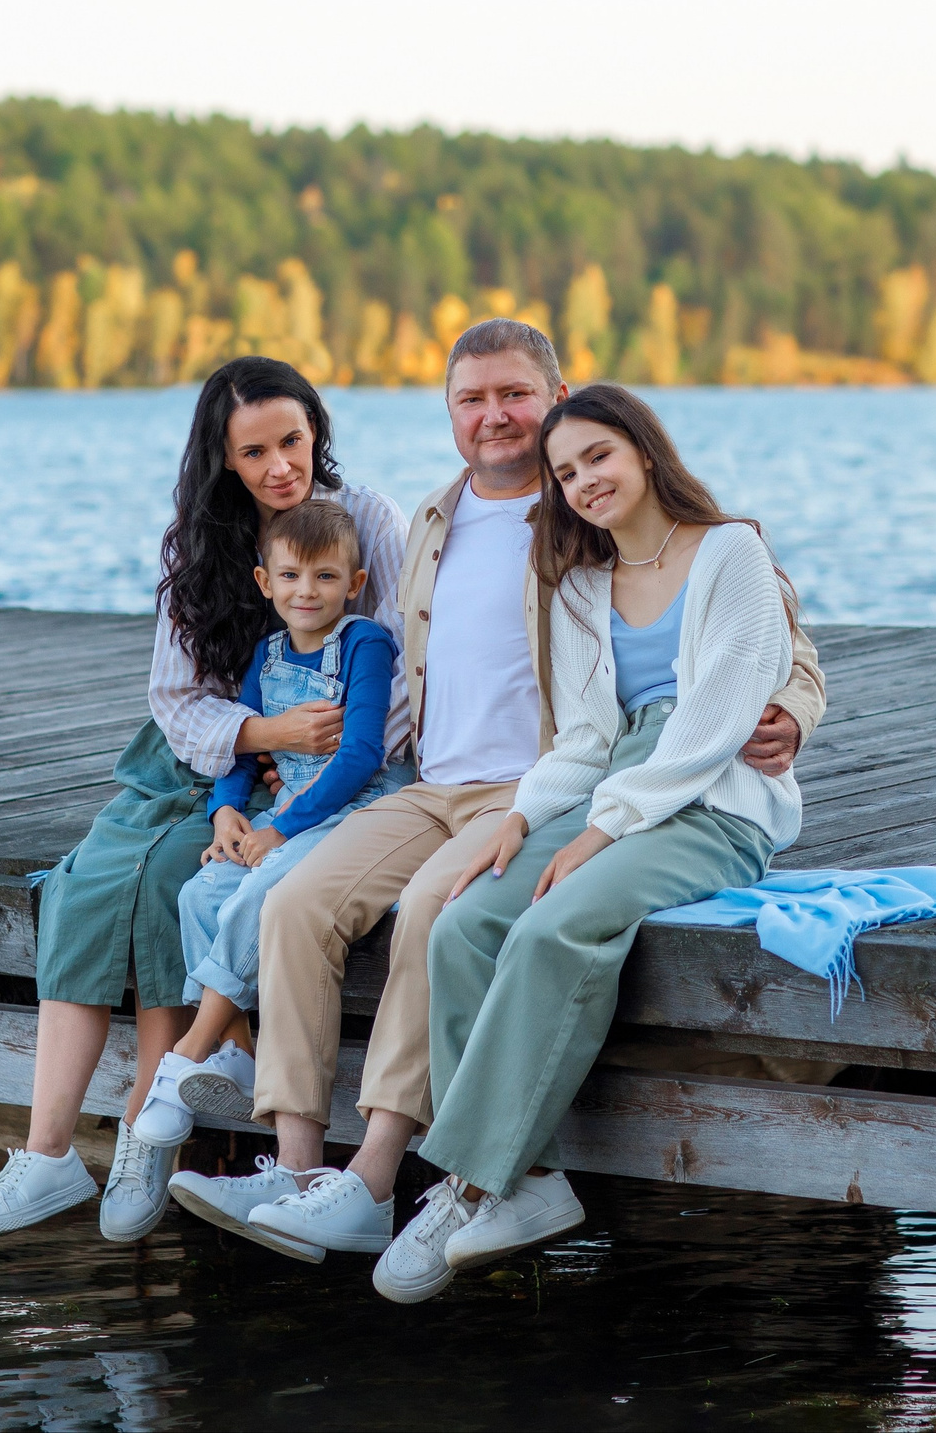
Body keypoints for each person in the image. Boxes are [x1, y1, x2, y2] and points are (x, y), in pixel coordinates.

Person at [164, 322, 824, 1280]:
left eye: (515, 394)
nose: (494, 416)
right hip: (436, 778)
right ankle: (303, 1178)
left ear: (557, 396)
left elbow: (772, 647)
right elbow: (337, 628)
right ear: (448, 413)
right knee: (296, 900)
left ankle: (396, 1174)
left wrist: (792, 714)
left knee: (442, 911)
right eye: (471, 399)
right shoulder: (420, 523)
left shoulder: (593, 528)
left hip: (547, 782)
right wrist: (265, 754)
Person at [0, 358, 407, 1245]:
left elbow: (398, 672)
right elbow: (177, 697)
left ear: (317, 429)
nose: (282, 465)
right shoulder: (200, 542)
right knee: (89, 880)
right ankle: (47, 1152)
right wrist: (266, 744)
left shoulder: (370, 523)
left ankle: (145, 1132)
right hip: (209, 759)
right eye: (256, 451)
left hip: (321, 769)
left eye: (293, 440)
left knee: (173, 878)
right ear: (223, 458)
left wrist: (311, 762)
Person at [375, 383, 804, 1299]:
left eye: (598, 458)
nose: (583, 481)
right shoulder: (579, 583)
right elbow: (581, 739)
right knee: (465, 917)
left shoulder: (732, 553)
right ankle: (524, 1185)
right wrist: (525, 819)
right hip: (608, 784)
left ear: (645, 451)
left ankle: (467, 1182)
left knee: (550, 927)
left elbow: (716, 721)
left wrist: (602, 832)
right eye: (565, 473)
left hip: (715, 801)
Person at [131, 499, 411, 1148]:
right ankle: (238, 1048)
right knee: (200, 891)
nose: (306, 592)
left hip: (357, 811)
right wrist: (225, 809)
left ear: (356, 583)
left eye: (325, 577)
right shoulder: (268, 651)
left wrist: (278, 831)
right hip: (291, 813)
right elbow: (247, 749)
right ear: (265, 582)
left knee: (265, 890)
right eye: (289, 576)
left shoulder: (365, 642)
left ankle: (189, 1054)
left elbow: (364, 754)